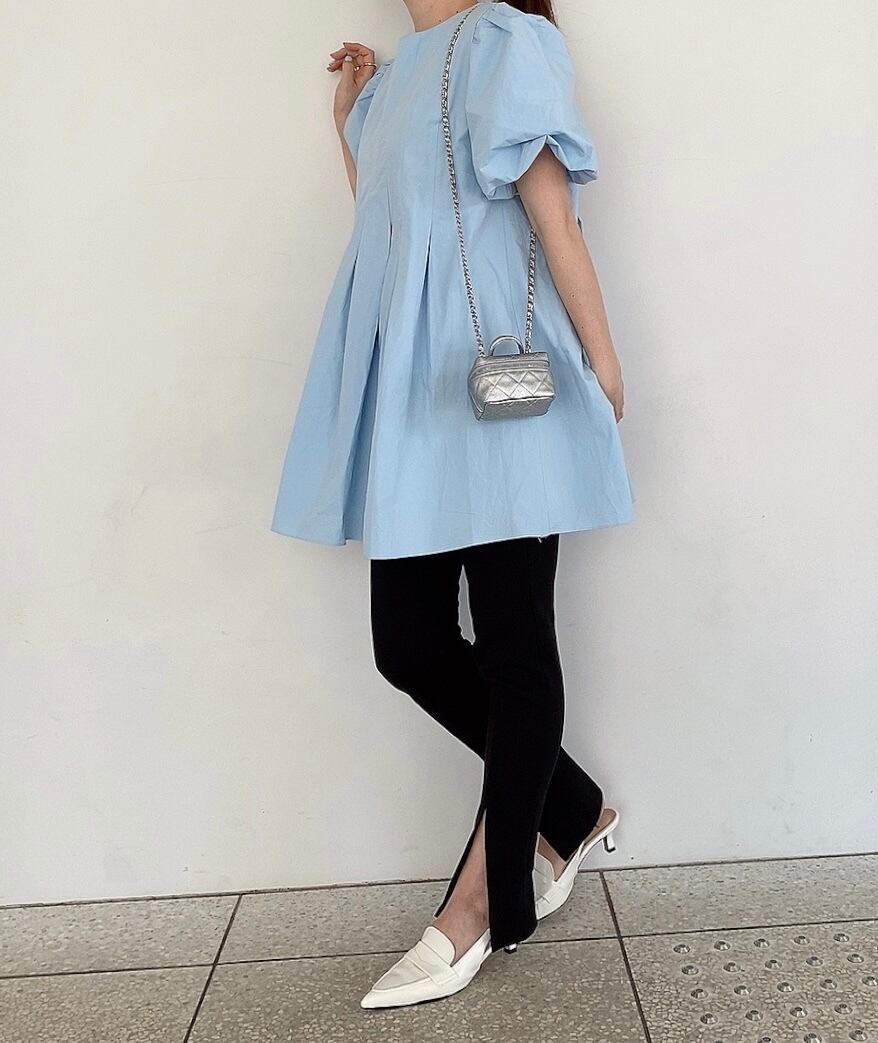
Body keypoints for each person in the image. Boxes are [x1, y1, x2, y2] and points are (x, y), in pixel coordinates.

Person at [271, 0, 635, 1008]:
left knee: (515, 642)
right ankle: (570, 805)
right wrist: (349, 115)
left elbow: (549, 210)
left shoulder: (506, 40)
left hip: (499, 388)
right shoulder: (395, 78)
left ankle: (482, 903)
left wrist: (602, 362)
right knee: (409, 643)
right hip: (413, 399)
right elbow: (392, 224)